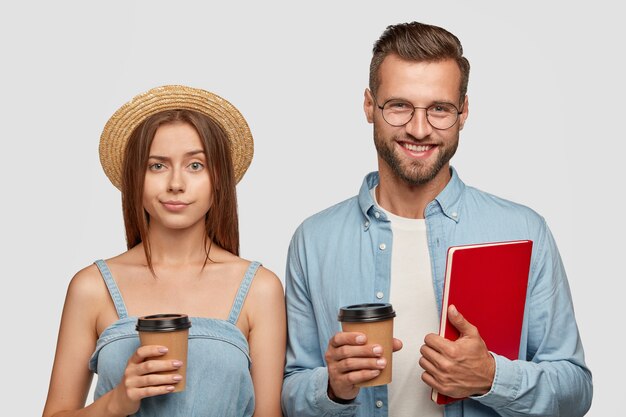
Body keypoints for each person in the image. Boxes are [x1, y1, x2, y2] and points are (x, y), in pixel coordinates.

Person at [281, 21, 592, 417]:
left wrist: (492, 377)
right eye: (399, 106)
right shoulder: (314, 239)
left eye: (439, 109)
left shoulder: (524, 231)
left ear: (463, 112)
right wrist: (331, 386)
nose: (419, 129)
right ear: (368, 106)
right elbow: (290, 391)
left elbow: (576, 389)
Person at [42, 85, 286, 417]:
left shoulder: (260, 288)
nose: (175, 183)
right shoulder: (91, 287)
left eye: (195, 165)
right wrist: (116, 402)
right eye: (157, 166)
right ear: (135, 178)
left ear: (218, 179)